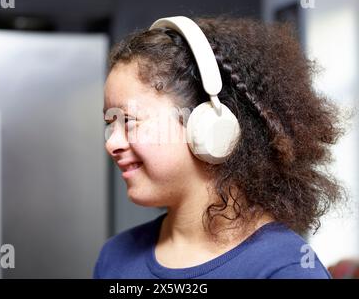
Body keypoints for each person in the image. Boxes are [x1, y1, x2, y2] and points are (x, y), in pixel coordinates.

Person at [94, 15, 345, 279]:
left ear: (207, 124)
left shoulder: (285, 270)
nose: (111, 143)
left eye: (130, 121)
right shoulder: (114, 257)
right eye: (110, 122)